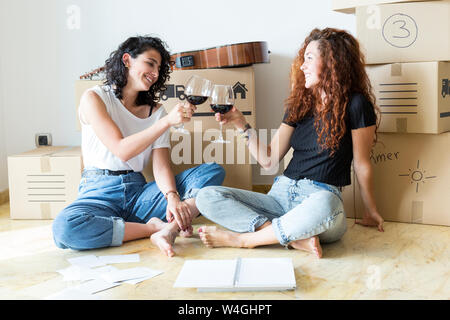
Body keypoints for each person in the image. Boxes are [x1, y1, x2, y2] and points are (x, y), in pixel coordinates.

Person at [195, 28, 384, 259]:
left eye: (310, 58)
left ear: (334, 62)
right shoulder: (300, 104)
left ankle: (245, 240)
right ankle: (291, 237)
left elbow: (362, 164)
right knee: (206, 196)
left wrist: (371, 209)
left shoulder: (356, 104)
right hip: (279, 197)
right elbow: (268, 160)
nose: (302, 65)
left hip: (319, 200)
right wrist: (240, 123)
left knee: (328, 204)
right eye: (303, 58)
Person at [52, 36, 225, 257]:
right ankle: (153, 228)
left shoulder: (156, 111)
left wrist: (172, 197)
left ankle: (167, 229)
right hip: (99, 191)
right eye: (150, 63)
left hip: (138, 194)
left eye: (159, 68)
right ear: (127, 60)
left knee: (212, 171)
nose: (154, 72)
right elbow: (121, 149)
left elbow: (161, 167)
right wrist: (166, 123)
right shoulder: (94, 98)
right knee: (65, 228)